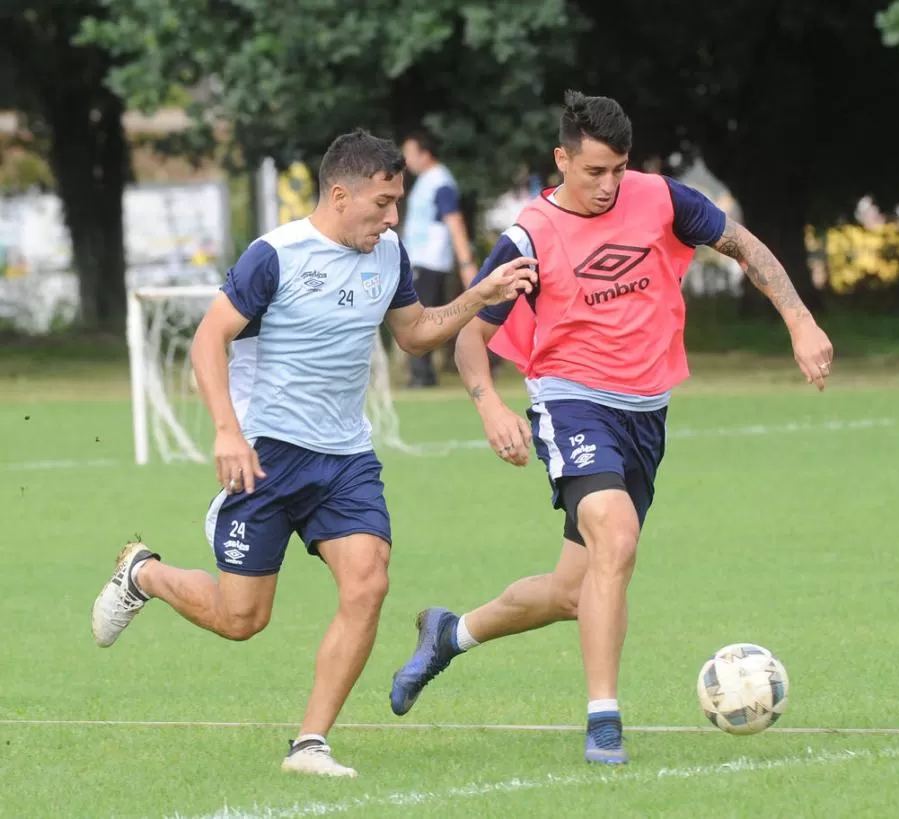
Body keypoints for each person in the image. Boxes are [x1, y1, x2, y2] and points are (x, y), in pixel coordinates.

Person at [388, 91, 833, 765]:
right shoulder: (530, 236)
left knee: (577, 588)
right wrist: (489, 406)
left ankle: (451, 633)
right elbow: (469, 339)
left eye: (618, 169)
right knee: (616, 540)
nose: (608, 186)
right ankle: (604, 720)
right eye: (594, 171)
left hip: (647, 414)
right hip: (571, 405)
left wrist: (800, 319)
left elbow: (744, 245)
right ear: (562, 158)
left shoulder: (661, 199)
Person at [91, 129, 536, 778]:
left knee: (369, 581)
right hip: (267, 456)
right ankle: (143, 573)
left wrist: (478, 296)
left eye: (397, 204)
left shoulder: (389, 255)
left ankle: (309, 743)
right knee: (242, 619)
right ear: (338, 194)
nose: (391, 218)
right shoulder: (274, 256)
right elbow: (207, 342)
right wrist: (225, 430)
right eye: (382, 203)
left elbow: (413, 335)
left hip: (345, 457)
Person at [400, 130, 478, 387]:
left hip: (430, 261)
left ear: (425, 153)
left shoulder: (440, 182)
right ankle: (423, 374)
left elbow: (454, 222)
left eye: (410, 153)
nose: (406, 159)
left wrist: (466, 263)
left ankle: (423, 376)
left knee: (421, 318)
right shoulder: (425, 181)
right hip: (419, 259)